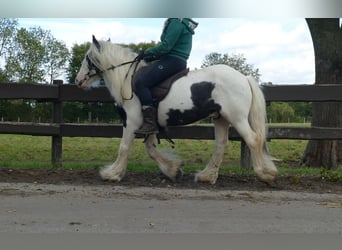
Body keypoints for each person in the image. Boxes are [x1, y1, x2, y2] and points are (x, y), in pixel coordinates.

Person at [134, 18, 198, 134]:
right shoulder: (180, 22)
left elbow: (166, 46)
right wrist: (152, 57)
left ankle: (150, 123)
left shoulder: (176, 22)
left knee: (141, 83)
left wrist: (146, 53)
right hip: (174, 60)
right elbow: (169, 48)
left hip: (172, 61)